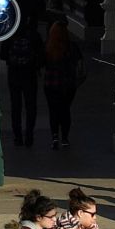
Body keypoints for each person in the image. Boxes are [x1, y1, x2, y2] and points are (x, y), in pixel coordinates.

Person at [41, 17, 81, 150]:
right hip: (68, 84)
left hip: (51, 83)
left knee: (53, 110)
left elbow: (42, 63)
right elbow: (79, 63)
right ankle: (64, 137)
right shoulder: (71, 47)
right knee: (65, 110)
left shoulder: (48, 47)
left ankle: (54, 136)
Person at [4, 21, 44, 147]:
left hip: (14, 75)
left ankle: (18, 137)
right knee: (30, 106)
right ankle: (29, 136)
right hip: (29, 74)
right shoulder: (34, 35)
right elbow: (41, 55)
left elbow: (3, 55)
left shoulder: (10, 34)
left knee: (16, 106)